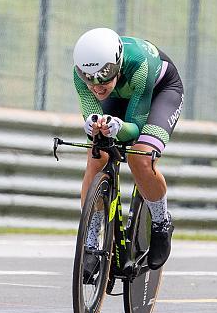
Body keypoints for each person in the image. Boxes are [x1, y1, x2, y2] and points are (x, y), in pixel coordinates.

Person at [72, 27, 184, 279]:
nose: (97, 86)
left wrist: (119, 127)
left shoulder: (139, 65)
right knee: (96, 155)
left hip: (158, 92)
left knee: (139, 156)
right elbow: (93, 119)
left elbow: (133, 129)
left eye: (105, 76)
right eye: (89, 78)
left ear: (118, 63)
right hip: (122, 94)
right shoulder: (84, 77)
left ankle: (161, 222)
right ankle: (91, 240)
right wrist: (93, 125)